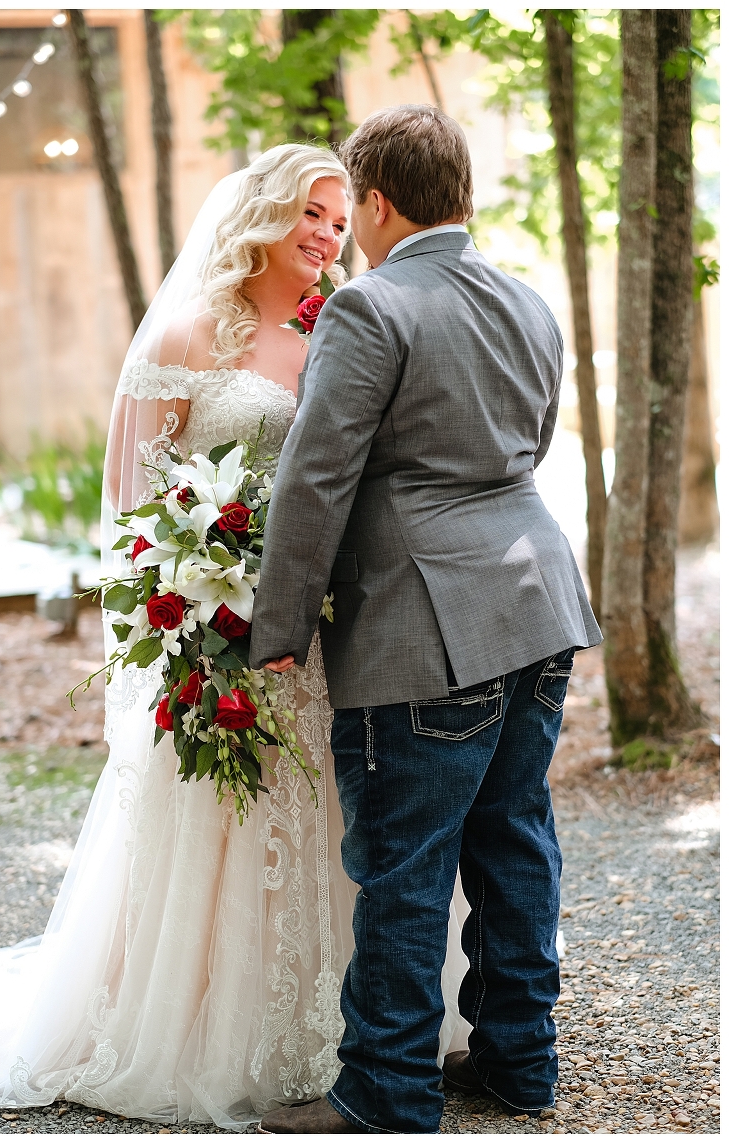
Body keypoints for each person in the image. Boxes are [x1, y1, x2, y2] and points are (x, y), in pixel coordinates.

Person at [0, 143, 469, 1129]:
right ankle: (203, 1026)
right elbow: (137, 506)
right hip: (215, 627)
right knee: (222, 818)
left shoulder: (343, 327)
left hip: (326, 633)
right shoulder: (191, 333)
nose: (328, 236)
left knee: (339, 816)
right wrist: (193, 597)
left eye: (340, 220)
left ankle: (365, 1032)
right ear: (266, 215)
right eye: (311, 215)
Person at [250, 106, 603, 1134]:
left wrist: (279, 627)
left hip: (425, 621)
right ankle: (519, 1063)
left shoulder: (371, 305)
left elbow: (317, 478)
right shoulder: (529, 300)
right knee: (516, 839)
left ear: (377, 202)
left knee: (405, 863)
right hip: (538, 602)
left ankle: (387, 1089)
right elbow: (530, 445)